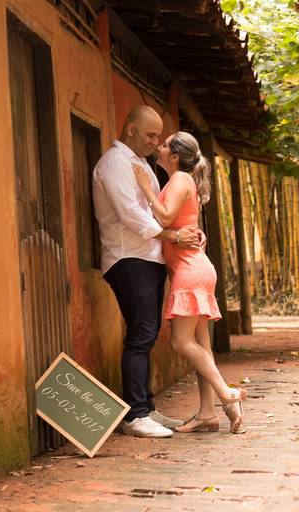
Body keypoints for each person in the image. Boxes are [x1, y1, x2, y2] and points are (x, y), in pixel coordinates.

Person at [92, 105, 204, 438]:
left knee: (149, 333)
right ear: (130, 129)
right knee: (141, 333)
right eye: (150, 135)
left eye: (159, 137)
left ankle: (147, 408)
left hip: (149, 258)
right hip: (128, 259)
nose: (156, 143)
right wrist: (172, 235)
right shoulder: (114, 163)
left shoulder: (141, 164)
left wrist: (186, 232)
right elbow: (130, 214)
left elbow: (161, 211)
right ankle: (135, 415)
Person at [132, 131, 247, 434]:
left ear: (176, 156)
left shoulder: (181, 179)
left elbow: (166, 218)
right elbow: (186, 222)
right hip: (196, 267)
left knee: (180, 341)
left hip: (190, 270)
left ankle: (227, 394)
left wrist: (145, 188)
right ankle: (208, 413)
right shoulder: (181, 180)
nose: (159, 146)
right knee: (201, 345)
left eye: (166, 144)